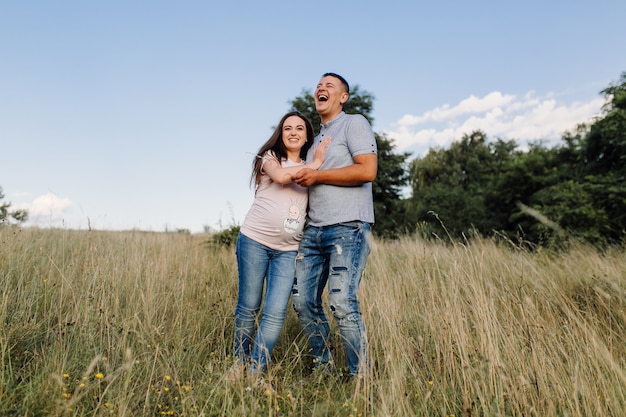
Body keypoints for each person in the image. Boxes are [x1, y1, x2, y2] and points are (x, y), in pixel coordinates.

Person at [226, 111, 331, 382]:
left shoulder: (311, 166)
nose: (293, 132)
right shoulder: (270, 158)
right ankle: (238, 365)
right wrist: (316, 162)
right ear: (280, 134)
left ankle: (254, 372)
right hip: (254, 241)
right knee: (248, 307)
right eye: (287, 128)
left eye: (299, 128)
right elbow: (283, 178)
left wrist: (316, 163)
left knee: (274, 314)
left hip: (287, 250)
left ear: (308, 135)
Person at [291, 73, 377, 378]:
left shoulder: (354, 123)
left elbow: (368, 170)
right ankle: (324, 366)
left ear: (343, 97)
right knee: (302, 302)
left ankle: (360, 378)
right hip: (312, 232)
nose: (320, 88)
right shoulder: (314, 142)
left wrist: (318, 176)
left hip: (348, 228)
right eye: (318, 85)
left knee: (342, 302)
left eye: (329, 85)